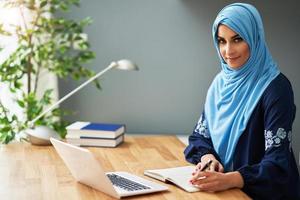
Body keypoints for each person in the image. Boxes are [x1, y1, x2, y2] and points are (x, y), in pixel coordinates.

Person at [184, 3, 300, 200]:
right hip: (225, 191)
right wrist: (208, 158)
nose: (228, 51)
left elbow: (277, 163)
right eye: (221, 41)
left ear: (255, 38)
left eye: (237, 39)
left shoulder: (276, 88)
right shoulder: (220, 83)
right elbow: (199, 137)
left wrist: (231, 179)